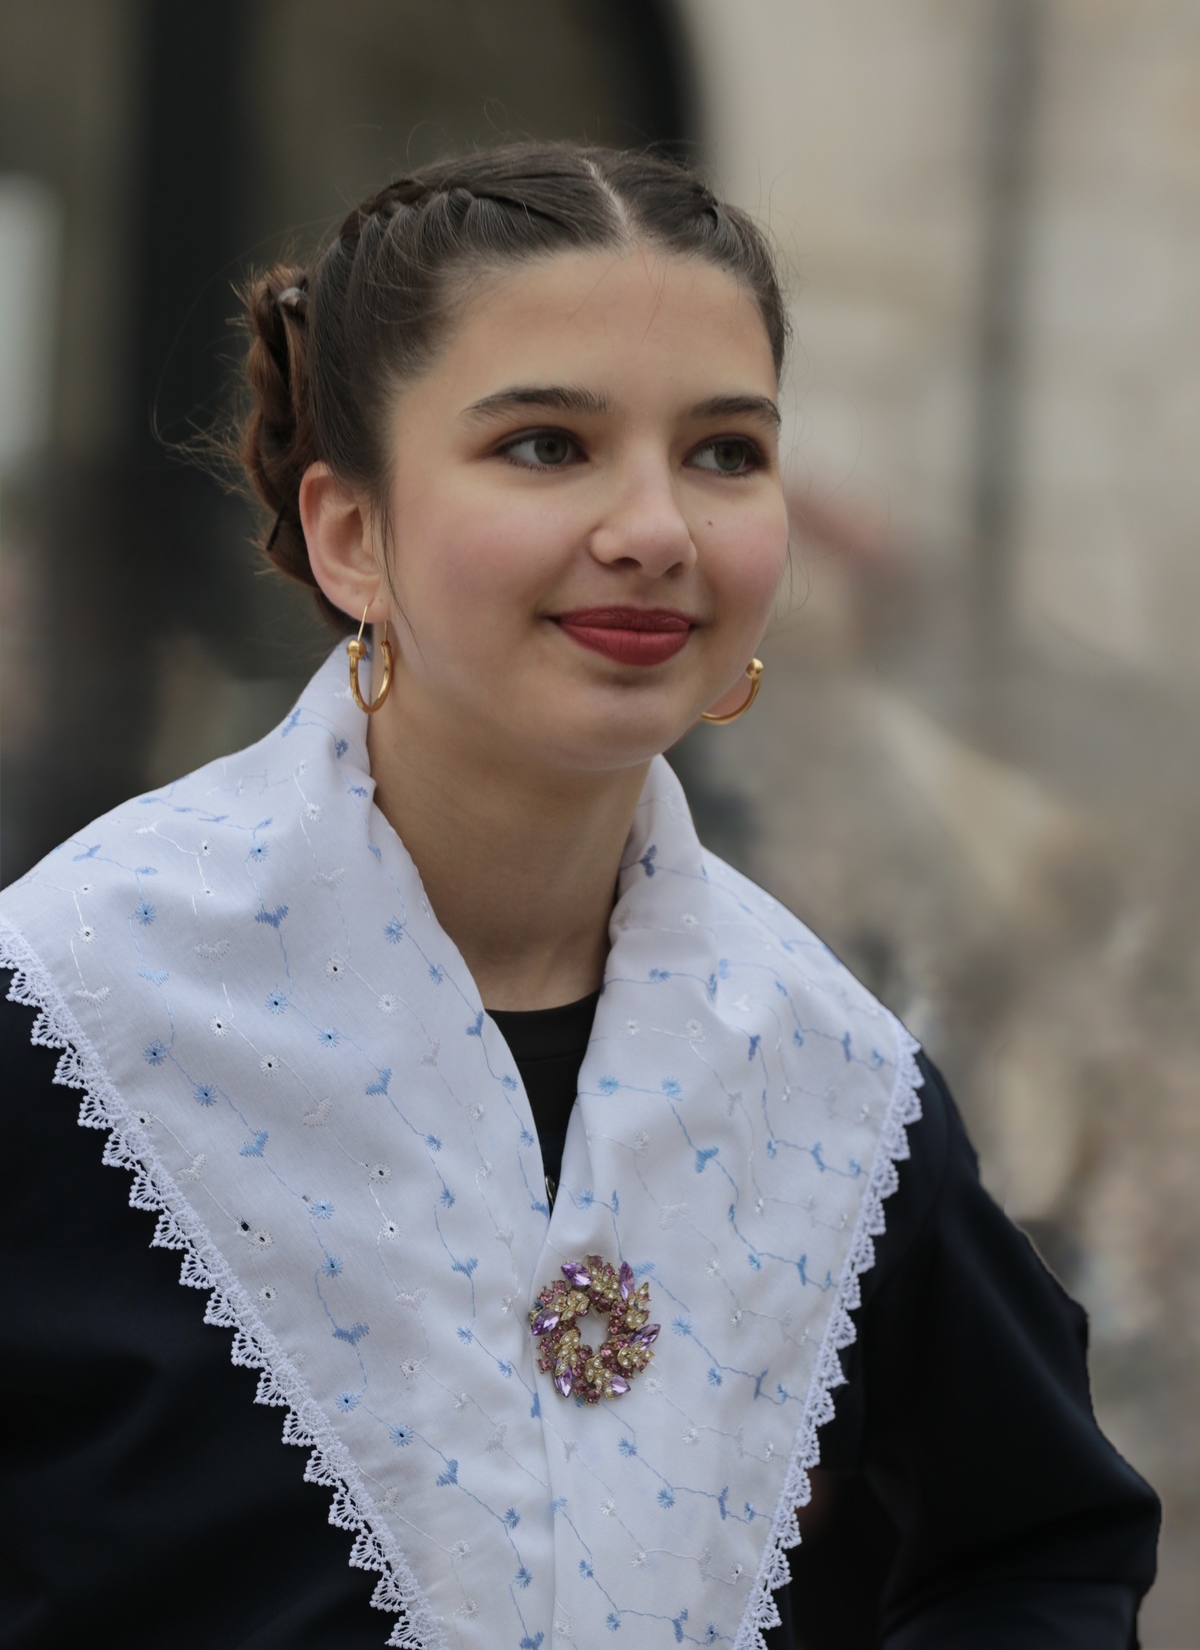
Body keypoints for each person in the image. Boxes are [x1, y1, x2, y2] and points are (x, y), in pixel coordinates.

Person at [0, 144, 1158, 1649]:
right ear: (352, 534)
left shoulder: (829, 1079)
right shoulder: (75, 1006)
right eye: (548, 444)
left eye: (725, 452)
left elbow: (1042, 1547)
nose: (656, 529)